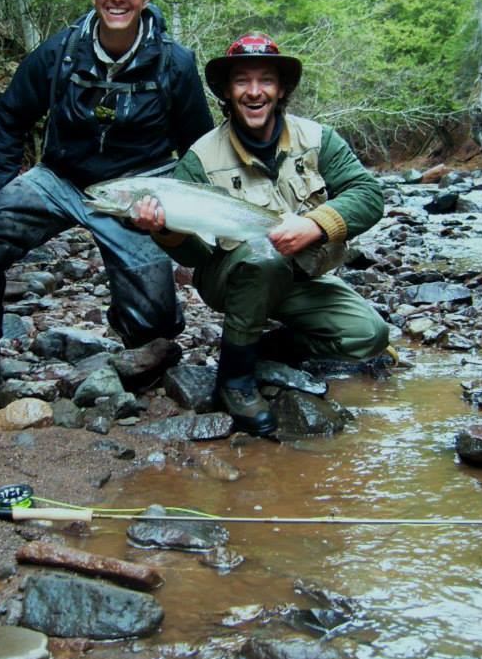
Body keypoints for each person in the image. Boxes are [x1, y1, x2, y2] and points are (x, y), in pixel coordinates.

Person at [0, 0, 213, 410]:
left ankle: (138, 307)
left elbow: (199, 147)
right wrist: (3, 185)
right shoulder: (61, 51)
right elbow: (11, 112)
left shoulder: (176, 63)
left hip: (139, 190)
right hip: (61, 177)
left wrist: (180, 215)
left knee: (155, 328)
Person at [132, 32, 390, 436]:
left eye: (266, 80)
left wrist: (316, 225)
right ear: (227, 91)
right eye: (242, 81)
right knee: (264, 256)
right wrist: (163, 230)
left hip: (301, 276)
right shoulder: (200, 158)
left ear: (281, 88)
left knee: (369, 335)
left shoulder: (319, 140)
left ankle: (257, 348)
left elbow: (369, 196)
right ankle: (235, 379)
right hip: (231, 278)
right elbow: (196, 257)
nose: (254, 92)